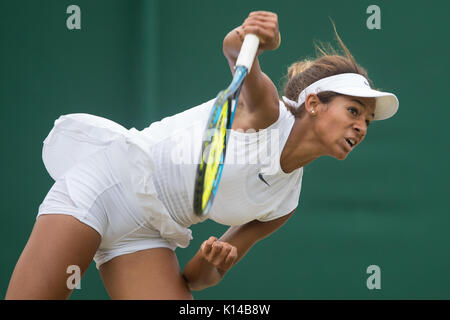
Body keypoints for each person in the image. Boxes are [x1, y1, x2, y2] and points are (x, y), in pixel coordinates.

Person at [6, 11, 398, 299]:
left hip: (149, 236)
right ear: (312, 104)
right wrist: (251, 36)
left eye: (367, 119)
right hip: (103, 188)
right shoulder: (266, 112)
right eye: (353, 111)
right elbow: (235, 53)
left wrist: (215, 261)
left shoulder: (284, 202)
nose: (361, 126)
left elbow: (196, 278)